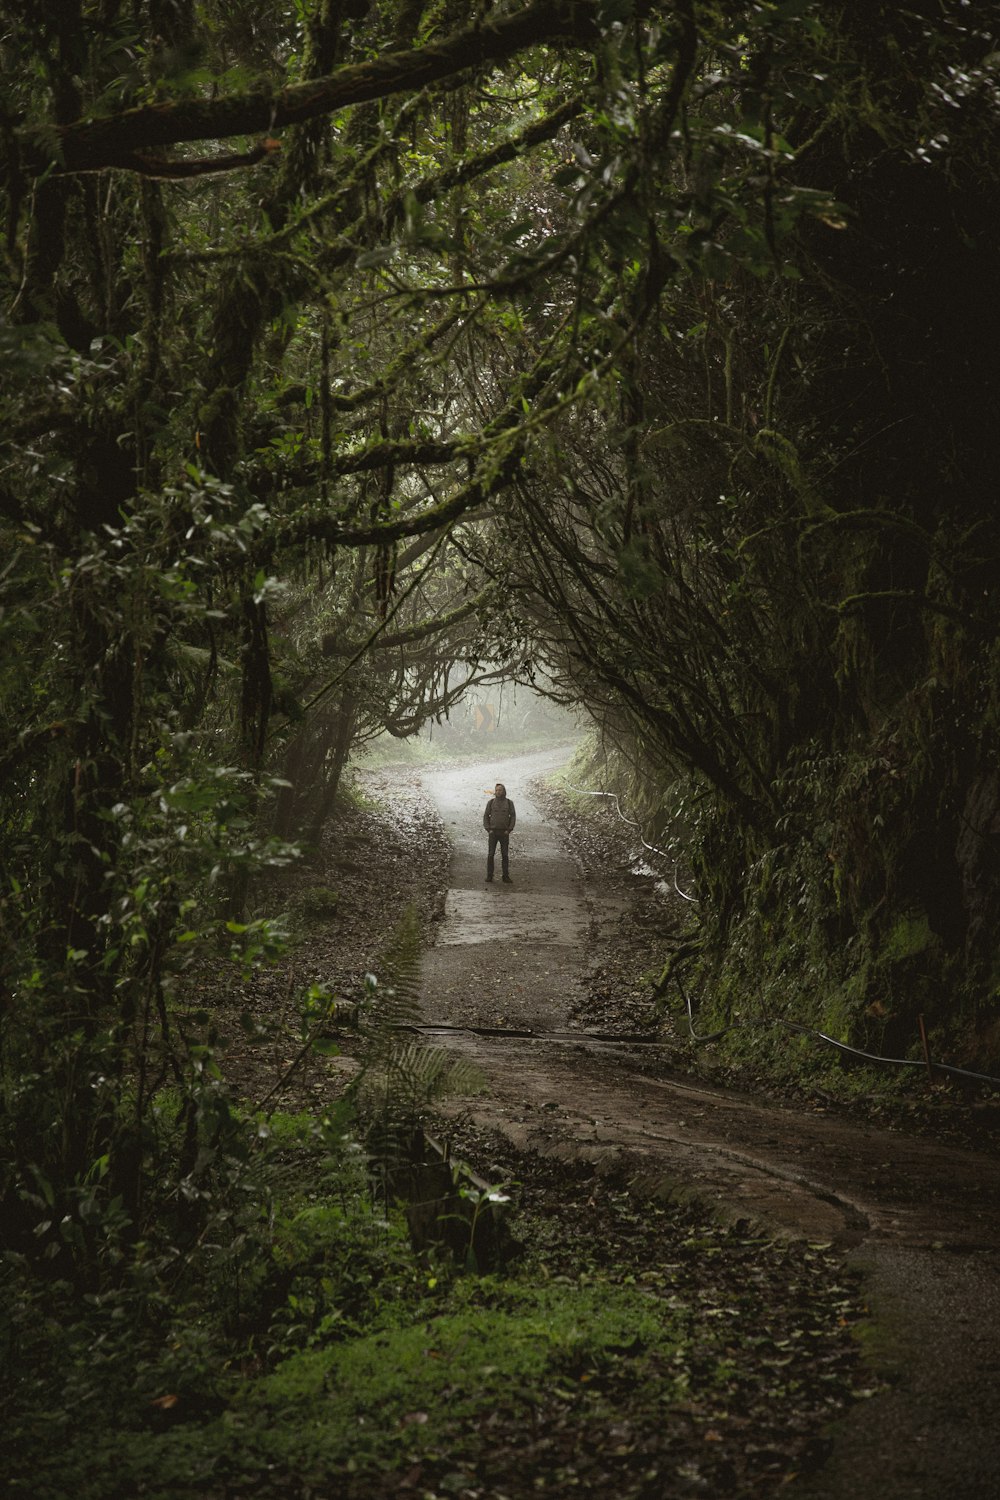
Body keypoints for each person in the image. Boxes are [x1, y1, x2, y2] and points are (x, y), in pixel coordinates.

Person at [483, 781, 516, 883]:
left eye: (500, 790)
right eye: (496, 790)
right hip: (493, 832)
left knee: (505, 855)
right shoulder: (491, 803)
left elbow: (513, 816)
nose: (498, 792)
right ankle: (489, 876)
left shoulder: (509, 803)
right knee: (491, 854)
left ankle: (505, 876)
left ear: (504, 791)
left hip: (504, 833)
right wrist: (488, 829)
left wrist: (509, 829)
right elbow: (486, 816)